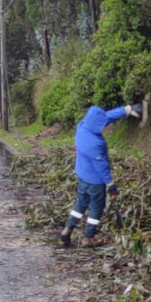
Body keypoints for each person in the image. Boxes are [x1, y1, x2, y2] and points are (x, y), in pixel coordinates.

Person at [60, 102, 141, 247]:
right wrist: (110, 184)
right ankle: (87, 238)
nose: (104, 125)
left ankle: (67, 230)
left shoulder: (83, 126)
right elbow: (101, 167)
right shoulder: (94, 144)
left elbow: (105, 118)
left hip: (82, 175)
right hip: (95, 181)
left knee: (81, 204)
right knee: (96, 208)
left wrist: (125, 110)